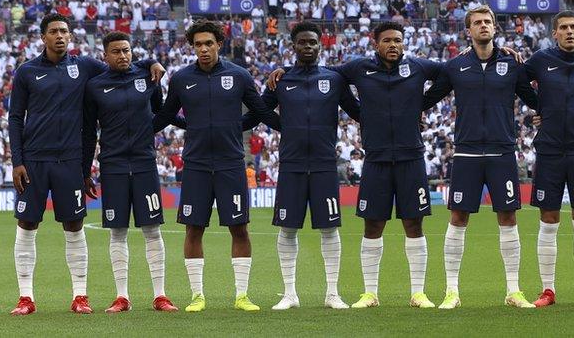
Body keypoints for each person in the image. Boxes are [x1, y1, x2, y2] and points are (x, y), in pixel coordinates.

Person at [271, 22, 442, 308]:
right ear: (375, 43)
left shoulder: (418, 67)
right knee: (372, 224)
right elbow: (317, 73)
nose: (392, 45)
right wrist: (287, 72)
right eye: (386, 40)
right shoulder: (358, 68)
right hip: (374, 158)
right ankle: (370, 293)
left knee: (414, 223)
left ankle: (418, 292)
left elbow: (450, 75)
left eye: (398, 40)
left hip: (411, 155)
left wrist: (419, 105)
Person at [9, 13, 163, 316]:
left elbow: (123, 64)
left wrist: (152, 63)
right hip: (35, 160)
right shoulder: (26, 72)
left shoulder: (84, 67)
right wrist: (17, 161)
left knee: (74, 225)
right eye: (53, 31)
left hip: (70, 161)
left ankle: (80, 295)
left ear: (71, 36)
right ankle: (25, 297)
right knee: (27, 224)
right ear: (43, 37)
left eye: (64, 31)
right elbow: (15, 118)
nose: (60, 36)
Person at [152, 20, 275, 313]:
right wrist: (140, 130)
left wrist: (287, 126)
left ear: (219, 44)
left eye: (209, 43)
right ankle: (197, 295)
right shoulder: (182, 78)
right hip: (195, 165)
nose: (204, 49)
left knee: (239, 228)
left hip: (231, 164)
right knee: (193, 230)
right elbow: (167, 114)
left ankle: (242, 296)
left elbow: (259, 112)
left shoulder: (240, 75)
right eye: (198, 44)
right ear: (192, 47)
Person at [421, 5, 538, 309]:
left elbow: (536, 99)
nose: (483, 26)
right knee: (458, 218)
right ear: (468, 30)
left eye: (488, 22)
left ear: (495, 28)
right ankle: (451, 291)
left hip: (502, 152)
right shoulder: (455, 66)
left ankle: (513, 291)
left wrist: (544, 115)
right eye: (477, 23)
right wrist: (411, 114)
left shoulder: (513, 64)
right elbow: (428, 98)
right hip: (467, 153)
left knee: (508, 217)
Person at [242, 21, 360, 310]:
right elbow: (259, 108)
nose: (308, 47)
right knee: (288, 228)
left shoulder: (334, 79)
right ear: (292, 46)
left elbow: (358, 111)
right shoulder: (281, 79)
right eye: (302, 43)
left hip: (323, 165)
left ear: (321, 45)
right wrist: (284, 126)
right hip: (292, 164)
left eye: (313, 43)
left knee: (329, 229)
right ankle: (290, 294)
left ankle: (333, 293)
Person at [82, 31, 181, 313]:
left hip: (144, 162)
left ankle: (160, 295)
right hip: (111, 165)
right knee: (118, 231)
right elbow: (89, 131)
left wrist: (145, 132)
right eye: (116, 51)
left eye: (126, 50)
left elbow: (162, 113)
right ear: (106, 55)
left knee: (152, 228)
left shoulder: (147, 78)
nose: (123, 55)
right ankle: (122, 296)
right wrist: (85, 169)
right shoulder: (95, 86)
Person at [523, 10, 574, 307]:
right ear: (554, 33)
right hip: (549, 149)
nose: (569, 32)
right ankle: (548, 290)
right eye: (563, 28)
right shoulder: (540, 60)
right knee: (549, 219)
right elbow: (518, 80)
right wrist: (539, 106)